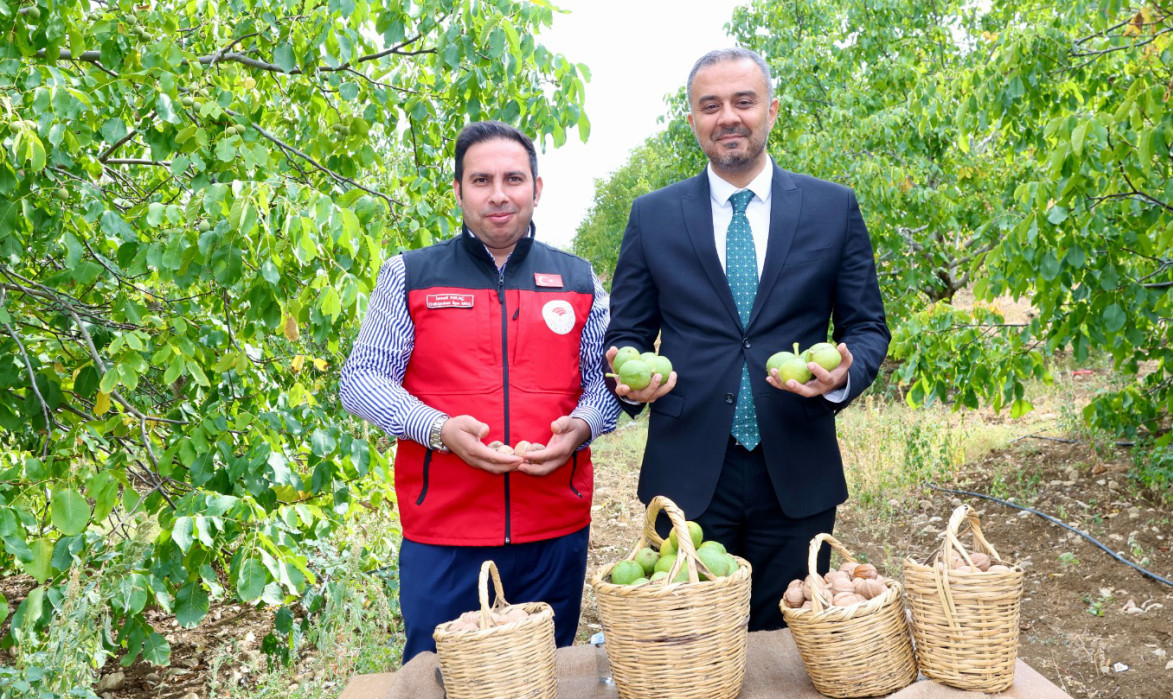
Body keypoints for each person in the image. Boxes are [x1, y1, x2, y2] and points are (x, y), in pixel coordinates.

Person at [604, 48, 890, 631]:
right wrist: (632, 384)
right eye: (710, 105)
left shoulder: (831, 208)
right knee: (687, 636)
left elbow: (866, 326)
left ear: (771, 110)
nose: (727, 117)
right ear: (693, 120)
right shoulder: (652, 216)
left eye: (743, 101)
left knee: (793, 638)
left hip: (795, 464)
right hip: (687, 468)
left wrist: (844, 374)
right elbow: (628, 334)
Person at [341, 121, 620, 661]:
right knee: (439, 673)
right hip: (444, 530)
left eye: (513, 179)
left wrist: (582, 427)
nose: (498, 194)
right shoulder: (410, 275)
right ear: (458, 190)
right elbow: (361, 378)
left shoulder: (579, 280)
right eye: (481, 180)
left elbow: (604, 382)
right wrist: (438, 429)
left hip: (553, 528)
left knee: (543, 672)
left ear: (537, 188)